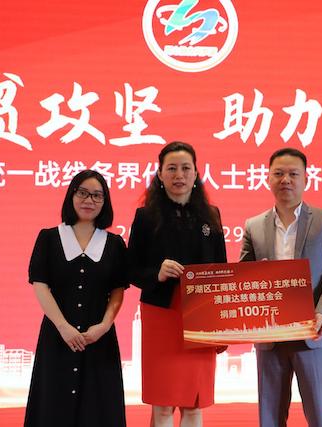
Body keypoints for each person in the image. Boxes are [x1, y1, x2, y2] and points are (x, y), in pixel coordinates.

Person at [240, 148, 322, 427]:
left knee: (319, 416)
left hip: (314, 331)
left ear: (306, 179)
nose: (285, 180)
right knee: (270, 418)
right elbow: (242, 276)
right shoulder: (254, 226)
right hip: (270, 335)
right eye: (278, 173)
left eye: (293, 174)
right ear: (268, 178)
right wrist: (256, 274)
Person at [127, 141, 227, 427]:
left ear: (196, 173)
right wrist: (156, 273)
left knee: (193, 404)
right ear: (160, 174)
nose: (179, 175)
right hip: (161, 315)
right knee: (163, 405)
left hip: (201, 318)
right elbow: (131, 269)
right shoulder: (145, 217)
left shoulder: (211, 215)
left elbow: (221, 272)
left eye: (185, 168)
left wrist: (222, 327)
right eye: (171, 168)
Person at [25, 169, 127, 427]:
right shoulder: (49, 238)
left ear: (105, 202)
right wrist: (63, 327)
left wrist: (104, 325)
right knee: (53, 405)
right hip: (58, 337)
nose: (89, 200)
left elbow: (118, 290)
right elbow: (40, 285)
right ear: (71, 196)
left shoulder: (114, 244)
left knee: (99, 407)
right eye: (82, 193)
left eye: (97, 195)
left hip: (98, 339)